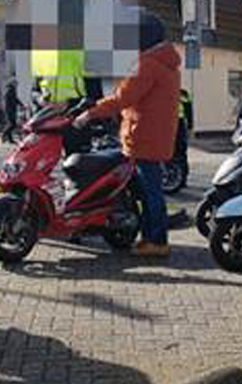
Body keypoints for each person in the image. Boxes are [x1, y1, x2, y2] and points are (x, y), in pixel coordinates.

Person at [77, 19, 182, 260]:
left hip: (143, 137)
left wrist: (90, 113)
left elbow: (124, 96)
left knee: (150, 193)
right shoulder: (166, 63)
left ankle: (157, 241)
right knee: (147, 190)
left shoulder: (148, 64)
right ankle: (149, 236)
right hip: (155, 136)